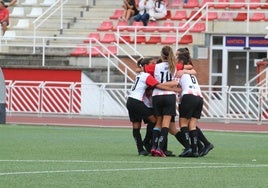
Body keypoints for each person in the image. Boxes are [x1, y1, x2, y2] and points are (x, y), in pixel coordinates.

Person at [126, 57, 180, 156]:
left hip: (130, 101)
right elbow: (158, 85)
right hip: (137, 101)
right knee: (155, 121)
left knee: (136, 126)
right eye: (152, 63)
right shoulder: (146, 76)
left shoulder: (139, 75)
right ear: (146, 66)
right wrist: (175, 89)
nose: (154, 65)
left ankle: (140, 149)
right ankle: (147, 142)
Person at [176, 48, 214, 157]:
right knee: (192, 124)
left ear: (181, 61)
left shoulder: (179, 71)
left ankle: (188, 148)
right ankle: (195, 150)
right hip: (199, 97)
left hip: (188, 96)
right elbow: (193, 70)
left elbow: (178, 87)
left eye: (176, 57)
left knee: (183, 124)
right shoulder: (189, 71)